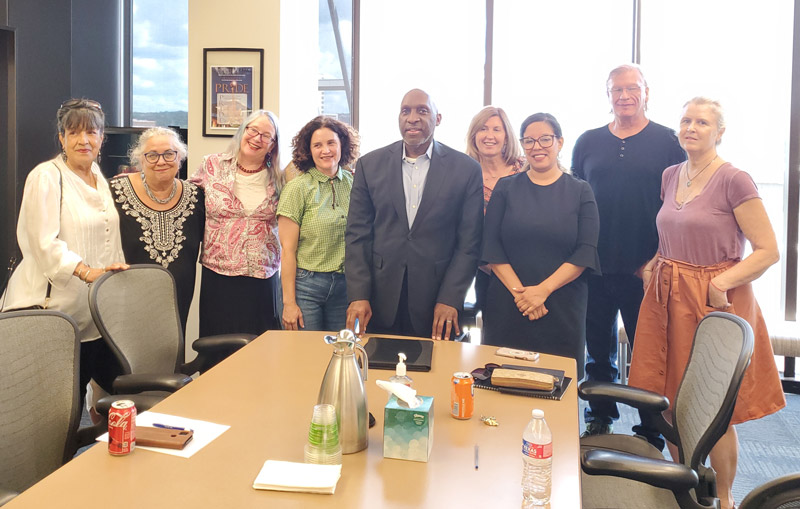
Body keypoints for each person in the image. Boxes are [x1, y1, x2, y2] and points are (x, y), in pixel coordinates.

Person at [629, 97, 785, 509]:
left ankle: (726, 498)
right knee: (670, 399)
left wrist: (723, 283)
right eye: (685, 120)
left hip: (713, 298)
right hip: (668, 296)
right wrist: (654, 265)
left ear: (719, 132)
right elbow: (671, 232)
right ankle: (685, 487)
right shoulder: (670, 175)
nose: (691, 128)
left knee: (714, 407)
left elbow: (768, 250)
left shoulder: (735, 179)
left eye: (702, 122)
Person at [572, 64, 686, 440]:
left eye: (631, 88)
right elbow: (575, 200)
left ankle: (650, 427)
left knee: (648, 355)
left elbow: (679, 203)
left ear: (647, 91)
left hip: (647, 269)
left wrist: (657, 258)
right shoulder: (587, 141)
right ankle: (599, 415)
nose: (624, 96)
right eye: (616, 89)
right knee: (597, 352)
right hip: (595, 267)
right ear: (608, 95)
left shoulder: (669, 141)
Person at [1, 98, 129, 406]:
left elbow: (110, 239)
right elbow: (43, 243)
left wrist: (114, 280)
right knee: (56, 409)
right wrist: (86, 272)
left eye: (91, 132)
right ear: (61, 138)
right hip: (54, 311)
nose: (83, 141)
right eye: (73, 133)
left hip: (93, 312)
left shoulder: (99, 177)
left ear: (102, 138)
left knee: (118, 393)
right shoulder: (46, 176)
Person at [345, 88, 483, 340]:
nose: (412, 118)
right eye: (405, 111)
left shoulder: (466, 170)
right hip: (379, 299)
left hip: (437, 302)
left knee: (436, 373)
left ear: (437, 118)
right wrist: (358, 294)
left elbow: (469, 243)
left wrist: (451, 297)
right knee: (378, 373)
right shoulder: (369, 165)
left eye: (422, 110)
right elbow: (357, 236)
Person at [481, 113, 600, 376]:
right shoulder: (505, 188)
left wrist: (542, 292)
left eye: (545, 139)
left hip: (561, 304)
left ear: (560, 142)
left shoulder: (581, 191)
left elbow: (585, 252)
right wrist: (523, 296)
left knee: (557, 386)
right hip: (509, 304)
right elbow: (491, 247)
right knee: (501, 383)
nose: (537, 147)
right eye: (529, 141)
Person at [190, 110, 283, 336]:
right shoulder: (211, 165)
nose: (257, 138)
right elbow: (186, 199)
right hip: (219, 276)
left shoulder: (281, 178)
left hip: (262, 276)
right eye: (253, 130)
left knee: (261, 348)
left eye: (266, 135)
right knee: (218, 346)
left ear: (272, 145)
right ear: (242, 131)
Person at [110, 127, 204, 332]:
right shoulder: (114, 192)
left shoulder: (196, 196)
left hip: (179, 301)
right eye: (152, 155)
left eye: (169, 154)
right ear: (140, 160)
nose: (161, 161)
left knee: (173, 353)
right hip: (127, 302)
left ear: (180, 158)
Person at [277, 116, 359, 331]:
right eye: (317, 145)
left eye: (331, 143)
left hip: (345, 287)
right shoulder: (297, 189)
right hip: (306, 287)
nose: (326, 150)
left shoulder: (356, 185)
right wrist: (289, 303)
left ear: (342, 144)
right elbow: (287, 251)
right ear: (308, 150)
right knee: (306, 357)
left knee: (341, 356)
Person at [465, 106, 524, 315]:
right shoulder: (464, 174)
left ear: (507, 136)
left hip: (528, 269)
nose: (489, 136)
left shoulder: (526, 168)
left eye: (497, 129)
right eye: (483, 129)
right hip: (485, 271)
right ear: (474, 136)